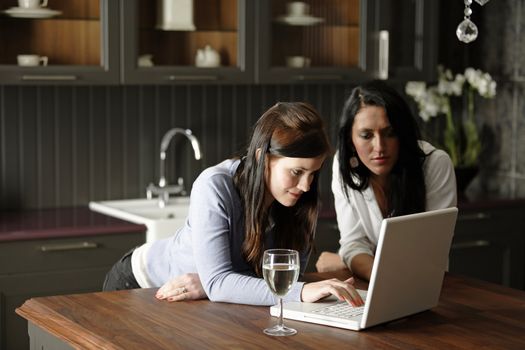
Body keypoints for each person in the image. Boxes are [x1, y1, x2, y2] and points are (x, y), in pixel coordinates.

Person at [103, 102, 364, 307]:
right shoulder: (215, 186)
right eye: (296, 172)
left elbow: (278, 280)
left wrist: (214, 285)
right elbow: (222, 283)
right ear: (262, 157)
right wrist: (216, 284)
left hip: (199, 300)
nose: (307, 186)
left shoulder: (299, 198)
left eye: (314, 173)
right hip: (140, 283)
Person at [315, 81, 457, 281]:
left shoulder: (435, 164)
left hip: (426, 286)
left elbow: (428, 255)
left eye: (390, 133)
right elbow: (353, 243)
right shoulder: (344, 164)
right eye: (366, 135)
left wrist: (344, 261)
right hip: (374, 285)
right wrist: (353, 260)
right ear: (350, 140)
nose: (379, 147)